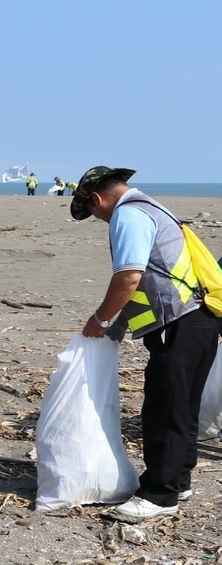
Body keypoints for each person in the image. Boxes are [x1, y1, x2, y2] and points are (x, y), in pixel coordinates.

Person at [72, 167, 219, 521]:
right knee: (183, 405)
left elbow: (129, 277)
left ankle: (158, 495)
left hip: (177, 323)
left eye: (93, 213)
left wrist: (100, 319)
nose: (99, 219)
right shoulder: (153, 207)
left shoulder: (127, 214)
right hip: (200, 319)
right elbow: (152, 277)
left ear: (96, 199)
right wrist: (121, 324)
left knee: (163, 408)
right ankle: (178, 480)